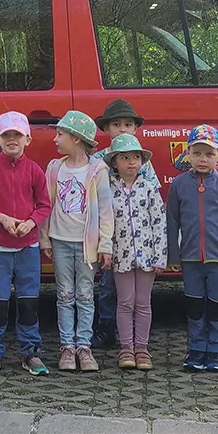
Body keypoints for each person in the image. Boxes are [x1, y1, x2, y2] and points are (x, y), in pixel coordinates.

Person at [0, 112, 51, 377]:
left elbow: (44, 205)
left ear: (27, 138)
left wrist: (31, 222)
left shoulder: (35, 170)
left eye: (17, 135)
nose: (12, 140)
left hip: (28, 248)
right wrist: (2, 219)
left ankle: (31, 352)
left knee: (29, 302)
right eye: (6, 135)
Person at [167, 124, 218, 374]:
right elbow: (172, 222)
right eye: (197, 153)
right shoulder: (179, 185)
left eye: (209, 154)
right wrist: (173, 256)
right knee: (195, 306)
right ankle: (197, 349)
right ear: (187, 153)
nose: (203, 159)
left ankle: (217, 351)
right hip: (190, 260)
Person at [41, 111, 113, 372]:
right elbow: (45, 205)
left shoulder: (97, 170)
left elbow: (106, 211)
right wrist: (44, 238)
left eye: (60, 134)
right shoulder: (54, 168)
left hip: (87, 246)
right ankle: (67, 347)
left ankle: (84, 346)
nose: (55, 140)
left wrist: (106, 245)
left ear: (77, 139)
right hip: (60, 240)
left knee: (84, 294)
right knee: (64, 295)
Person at [90, 99, 160, 350]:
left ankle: (135, 339)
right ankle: (106, 327)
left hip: (138, 239)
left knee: (138, 294)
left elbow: (154, 200)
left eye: (128, 124)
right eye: (116, 124)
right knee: (108, 285)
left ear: (136, 129)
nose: (122, 129)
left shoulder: (143, 162)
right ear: (106, 129)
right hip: (110, 236)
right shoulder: (98, 161)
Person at [105, 134, 166, 371]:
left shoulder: (150, 188)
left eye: (136, 157)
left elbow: (159, 223)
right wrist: (105, 251)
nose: (131, 162)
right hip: (121, 257)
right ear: (115, 163)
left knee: (143, 303)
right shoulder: (109, 190)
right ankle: (126, 348)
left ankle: (142, 347)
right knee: (124, 302)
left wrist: (160, 256)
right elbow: (105, 224)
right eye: (125, 158)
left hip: (147, 257)